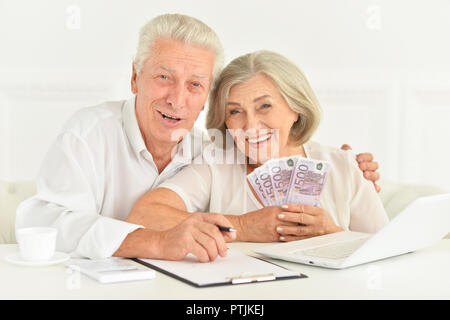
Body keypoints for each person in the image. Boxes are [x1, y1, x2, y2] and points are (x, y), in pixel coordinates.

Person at [16, 14, 381, 262]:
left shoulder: (208, 148)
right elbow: (47, 225)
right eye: (163, 77)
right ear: (134, 78)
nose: (177, 98)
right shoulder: (89, 135)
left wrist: (341, 211)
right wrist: (242, 226)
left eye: (194, 85)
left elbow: (387, 247)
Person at [125, 50, 389, 246]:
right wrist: (242, 226)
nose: (250, 126)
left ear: (295, 107)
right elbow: (145, 215)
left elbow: (387, 252)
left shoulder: (344, 167)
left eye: (264, 106)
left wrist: (333, 234)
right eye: (236, 111)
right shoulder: (216, 165)